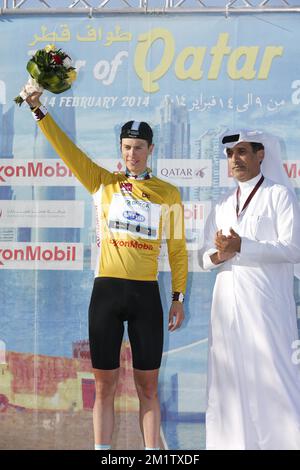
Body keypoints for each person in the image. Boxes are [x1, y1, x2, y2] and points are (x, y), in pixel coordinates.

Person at [26, 93, 188, 450]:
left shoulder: (168, 194)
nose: (133, 154)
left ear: (151, 149)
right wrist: (39, 110)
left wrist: (178, 297)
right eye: (127, 147)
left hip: (146, 295)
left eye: (139, 147)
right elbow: (68, 151)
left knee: (148, 388)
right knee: (104, 386)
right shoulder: (103, 183)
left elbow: (177, 250)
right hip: (107, 294)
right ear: (121, 149)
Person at [200, 130, 300, 450]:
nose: (235, 159)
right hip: (226, 309)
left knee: (273, 382)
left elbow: (293, 248)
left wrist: (244, 245)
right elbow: (203, 257)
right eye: (230, 154)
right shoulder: (221, 204)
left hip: (266, 308)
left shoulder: (280, 196)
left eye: (242, 152)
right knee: (227, 386)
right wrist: (221, 255)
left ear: (261, 155)